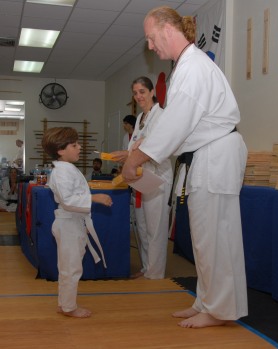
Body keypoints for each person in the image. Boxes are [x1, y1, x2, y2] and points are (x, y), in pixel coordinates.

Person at [121, 6, 248, 328]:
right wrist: (141, 147)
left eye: (151, 38)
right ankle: (206, 300)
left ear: (166, 29)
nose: (150, 46)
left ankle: (219, 310)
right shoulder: (187, 66)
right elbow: (178, 129)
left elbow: (175, 126)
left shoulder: (193, 68)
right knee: (205, 238)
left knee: (215, 237)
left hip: (214, 156)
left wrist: (136, 159)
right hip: (205, 156)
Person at [42, 127, 113, 318]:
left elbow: (73, 195)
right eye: (74, 145)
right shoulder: (62, 172)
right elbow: (68, 200)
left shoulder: (66, 169)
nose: (79, 147)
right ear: (61, 151)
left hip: (72, 224)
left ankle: (64, 303)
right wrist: (95, 198)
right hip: (68, 224)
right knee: (71, 268)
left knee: (68, 266)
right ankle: (69, 307)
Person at [111, 76, 173, 279]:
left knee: (156, 228)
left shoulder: (162, 115)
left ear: (152, 92)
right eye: (135, 93)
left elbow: (155, 146)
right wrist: (124, 154)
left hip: (158, 176)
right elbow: (135, 147)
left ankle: (155, 273)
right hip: (141, 176)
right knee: (143, 225)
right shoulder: (140, 118)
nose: (139, 96)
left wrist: (133, 154)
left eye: (142, 92)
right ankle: (147, 267)